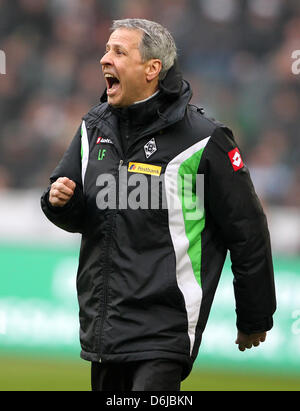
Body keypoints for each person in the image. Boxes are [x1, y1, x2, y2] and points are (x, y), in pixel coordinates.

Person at [41, 18, 276, 391]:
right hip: (105, 325)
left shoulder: (205, 140)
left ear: (152, 69)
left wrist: (254, 315)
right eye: (106, 49)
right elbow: (83, 214)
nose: (105, 59)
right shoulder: (92, 127)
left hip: (164, 329)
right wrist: (60, 202)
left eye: (119, 51)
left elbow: (247, 230)